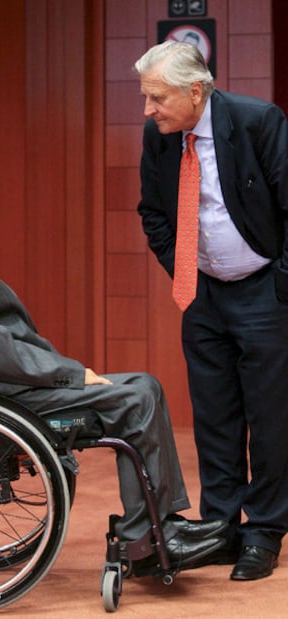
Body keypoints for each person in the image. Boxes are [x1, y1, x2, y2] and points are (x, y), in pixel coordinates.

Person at [0, 134, 225, 577]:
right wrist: (71, 375)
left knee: (144, 385)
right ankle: (152, 538)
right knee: (135, 398)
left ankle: (158, 527)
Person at [135, 39, 288, 581]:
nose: (148, 110)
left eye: (157, 97)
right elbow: (152, 212)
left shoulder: (257, 122)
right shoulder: (160, 138)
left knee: (269, 418)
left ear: (195, 91)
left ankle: (264, 533)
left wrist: (280, 288)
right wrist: (183, 273)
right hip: (201, 296)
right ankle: (220, 529)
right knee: (214, 418)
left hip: (263, 291)